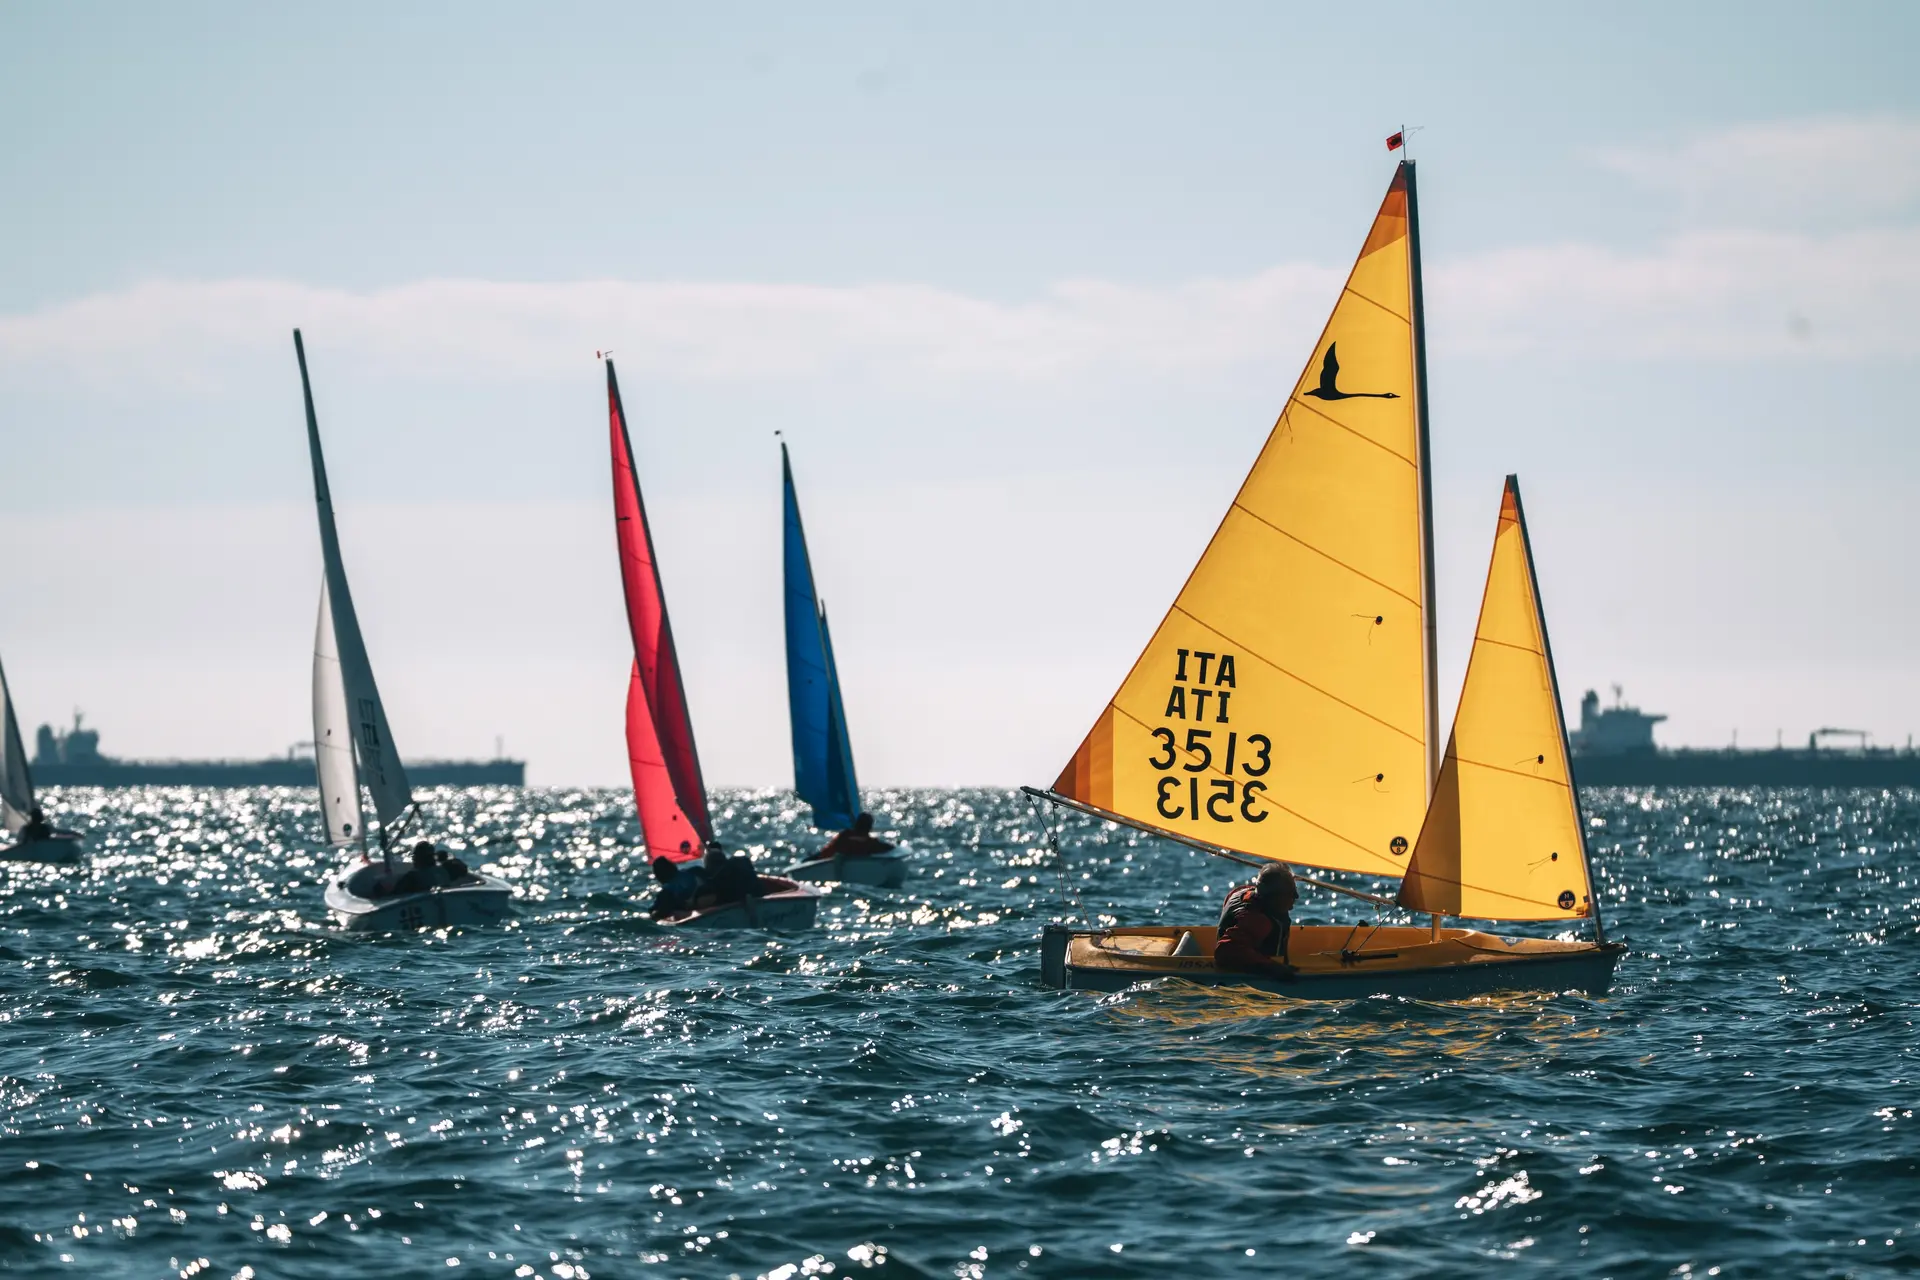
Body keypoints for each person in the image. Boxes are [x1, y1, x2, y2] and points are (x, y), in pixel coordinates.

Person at [1214, 863, 1298, 980]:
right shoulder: (1258, 920)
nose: (1296, 897)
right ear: (1274, 897)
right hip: (1240, 981)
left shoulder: (1240, 892)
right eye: (1291, 893)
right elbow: (1225, 950)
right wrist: (1272, 967)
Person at [818, 813, 894, 859]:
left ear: (856, 825)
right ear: (870, 828)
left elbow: (827, 852)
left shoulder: (844, 837)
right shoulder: (872, 843)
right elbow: (890, 848)